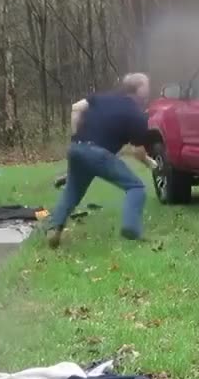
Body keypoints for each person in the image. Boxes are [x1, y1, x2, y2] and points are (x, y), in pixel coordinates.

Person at [47, 73, 157, 248]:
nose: (149, 89)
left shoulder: (102, 98)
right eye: (147, 85)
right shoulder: (136, 114)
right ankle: (131, 229)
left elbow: (76, 108)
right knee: (136, 187)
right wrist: (149, 162)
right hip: (98, 154)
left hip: (76, 149)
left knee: (73, 191)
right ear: (140, 89)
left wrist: (75, 135)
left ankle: (54, 228)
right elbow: (138, 151)